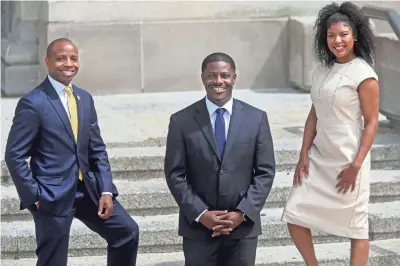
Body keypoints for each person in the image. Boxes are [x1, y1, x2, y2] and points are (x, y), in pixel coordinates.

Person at [5, 38, 139, 266]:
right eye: (61, 58)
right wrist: (34, 195)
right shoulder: (33, 102)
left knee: (127, 232)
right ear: (47, 62)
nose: (69, 63)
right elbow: (14, 154)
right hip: (51, 194)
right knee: (53, 261)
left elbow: (97, 149)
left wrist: (106, 189)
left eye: (73, 58)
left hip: (88, 191)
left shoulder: (84, 99)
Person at [281, 2, 379, 266]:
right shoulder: (322, 70)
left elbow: (371, 123)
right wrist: (303, 154)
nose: (337, 40)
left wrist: (355, 166)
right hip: (319, 156)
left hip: (349, 159)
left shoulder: (364, 74)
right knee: (294, 213)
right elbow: (314, 114)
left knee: (356, 226)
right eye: (331, 35)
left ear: (355, 36)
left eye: (343, 34)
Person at [164, 52, 276, 266]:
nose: (218, 81)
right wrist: (202, 214)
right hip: (198, 228)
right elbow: (175, 174)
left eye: (224, 75)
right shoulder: (181, 121)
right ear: (203, 77)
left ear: (234, 77)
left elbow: (265, 172)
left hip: (242, 229)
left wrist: (241, 213)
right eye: (211, 75)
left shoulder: (256, 118)